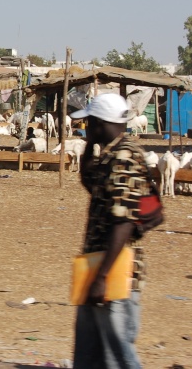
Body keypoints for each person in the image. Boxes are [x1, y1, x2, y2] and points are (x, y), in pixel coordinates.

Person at [70, 93, 150, 368]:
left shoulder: (125, 157)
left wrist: (102, 277)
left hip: (116, 271)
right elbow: (92, 185)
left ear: (101, 122)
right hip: (97, 264)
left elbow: (124, 221)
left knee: (117, 355)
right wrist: (88, 148)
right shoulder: (110, 153)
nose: (86, 128)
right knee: (90, 354)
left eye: (90, 122)